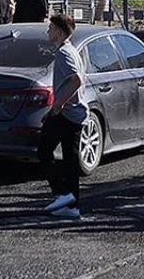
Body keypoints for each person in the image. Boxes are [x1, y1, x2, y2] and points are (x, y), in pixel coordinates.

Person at [39, 14, 87, 219]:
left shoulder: (64, 53)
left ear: (59, 32)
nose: (48, 31)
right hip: (75, 112)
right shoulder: (70, 50)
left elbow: (75, 80)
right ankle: (71, 205)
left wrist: (58, 105)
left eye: (50, 28)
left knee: (44, 151)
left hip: (66, 113)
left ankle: (62, 193)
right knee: (70, 159)